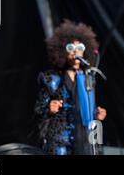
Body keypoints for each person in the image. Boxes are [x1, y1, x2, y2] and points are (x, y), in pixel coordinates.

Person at [34, 19, 107, 155]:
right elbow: (38, 110)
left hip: (85, 142)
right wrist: (49, 109)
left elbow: (88, 113)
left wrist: (97, 114)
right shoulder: (52, 80)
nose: (75, 53)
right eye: (71, 48)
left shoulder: (88, 80)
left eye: (80, 49)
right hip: (60, 143)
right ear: (63, 51)